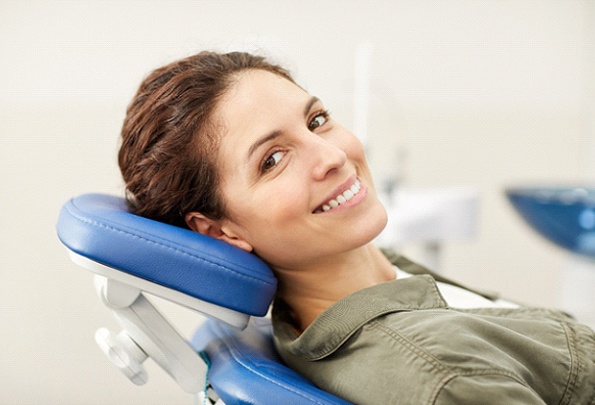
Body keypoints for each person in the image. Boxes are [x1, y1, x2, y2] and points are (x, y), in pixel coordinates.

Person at [118, 51, 595, 404]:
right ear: (221, 233)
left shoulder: (378, 280)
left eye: (317, 120)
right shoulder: (442, 376)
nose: (333, 155)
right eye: (273, 159)